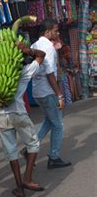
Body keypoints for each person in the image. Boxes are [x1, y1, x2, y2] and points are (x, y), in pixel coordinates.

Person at [0, 42, 47, 197]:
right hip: (19, 113)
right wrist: (28, 50)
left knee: (11, 151)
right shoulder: (25, 71)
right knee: (33, 144)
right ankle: (27, 178)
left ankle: (19, 187)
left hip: (2, 115)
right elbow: (41, 55)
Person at [29, 19, 71, 169]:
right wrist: (60, 95)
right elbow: (50, 74)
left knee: (49, 121)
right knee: (58, 125)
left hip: (37, 91)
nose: (57, 33)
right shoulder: (49, 48)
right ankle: (54, 156)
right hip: (47, 92)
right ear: (47, 32)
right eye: (55, 30)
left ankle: (30, 149)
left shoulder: (34, 45)